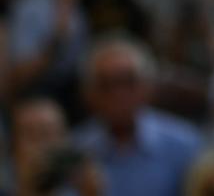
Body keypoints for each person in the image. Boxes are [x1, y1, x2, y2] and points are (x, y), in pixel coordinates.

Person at [74, 35, 203, 196]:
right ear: (89, 93)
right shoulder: (77, 151)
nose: (118, 93)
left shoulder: (183, 145)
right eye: (106, 83)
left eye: (128, 81)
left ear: (148, 86)